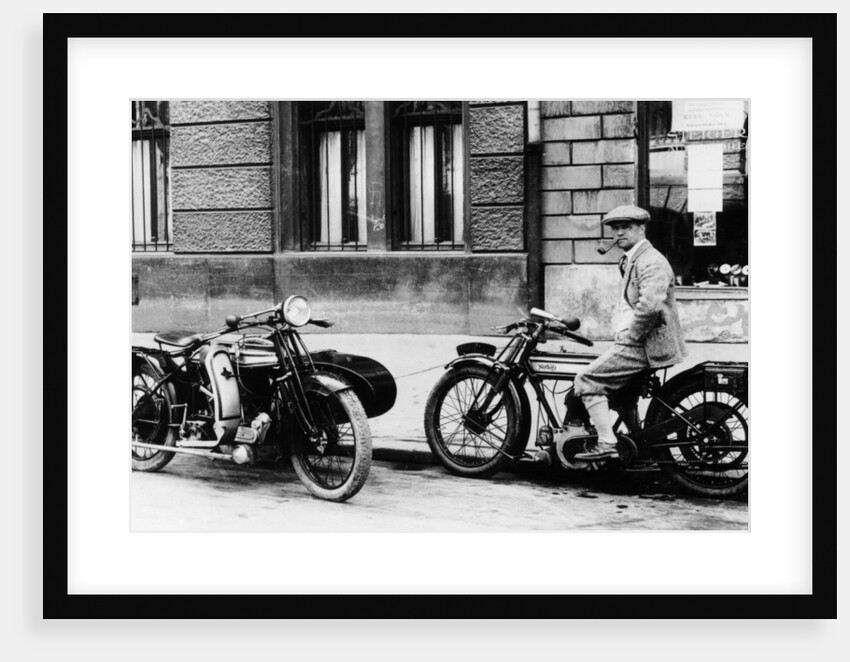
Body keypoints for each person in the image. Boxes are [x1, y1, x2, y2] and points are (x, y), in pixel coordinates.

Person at [573, 205, 687, 460]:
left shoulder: (651, 261)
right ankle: (635, 440)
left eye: (626, 227)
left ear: (641, 228)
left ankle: (606, 443)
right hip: (640, 340)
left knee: (586, 379)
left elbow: (649, 307)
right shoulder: (631, 258)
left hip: (645, 343)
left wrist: (630, 336)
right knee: (622, 392)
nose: (619, 233)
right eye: (615, 228)